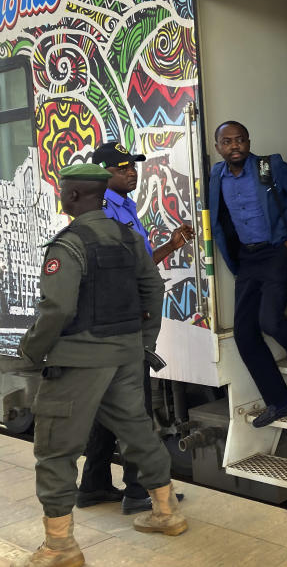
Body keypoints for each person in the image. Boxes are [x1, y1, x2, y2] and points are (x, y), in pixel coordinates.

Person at [15, 163, 187, 567]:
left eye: (62, 191)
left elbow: (56, 309)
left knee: (56, 450)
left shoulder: (69, 245)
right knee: (136, 430)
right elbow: (153, 288)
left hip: (78, 362)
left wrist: (29, 353)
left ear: (73, 196)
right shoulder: (128, 238)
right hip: (126, 355)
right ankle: (166, 512)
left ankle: (60, 549)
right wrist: (144, 342)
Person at [76, 141, 194, 514]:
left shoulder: (124, 206)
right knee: (134, 406)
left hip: (127, 321)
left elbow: (138, 264)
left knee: (112, 405)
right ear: (103, 174)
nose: (132, 172)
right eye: (123, 167)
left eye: (133, 166)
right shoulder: (102, 213)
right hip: (121, 326)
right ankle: (140, 490)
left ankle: (93, 485)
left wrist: (169, 247)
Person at [208, 121, 287, 428]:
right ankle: (281, 401)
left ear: (248, 141)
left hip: (276, 251)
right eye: (227, 142)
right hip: (246, 258)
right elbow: (217, 218)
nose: (234, 145)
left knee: (269, 320)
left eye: (240, 140)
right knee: (244, 333)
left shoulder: (270, 166)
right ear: (218, 147)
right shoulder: (216, 175)